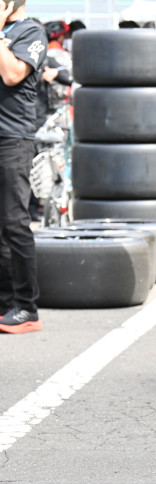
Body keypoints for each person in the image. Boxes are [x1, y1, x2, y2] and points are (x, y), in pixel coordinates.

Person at [0, 0, 47, 334]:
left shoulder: (31, 31)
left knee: (14, 223)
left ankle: (27, 309)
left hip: (12, 139)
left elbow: (12, 73)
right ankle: (5, 305)